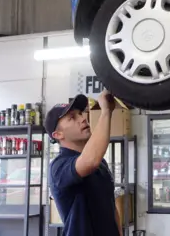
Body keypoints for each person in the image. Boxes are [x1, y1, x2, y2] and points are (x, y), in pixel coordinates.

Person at [45, 90, 122, 236]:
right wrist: (105, 112)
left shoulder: (101, 163)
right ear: (58, 135)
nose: (83, 119)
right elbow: (90, 160)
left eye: (80, 113)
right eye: (72, 118)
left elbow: (110, 204)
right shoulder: (59, 166)